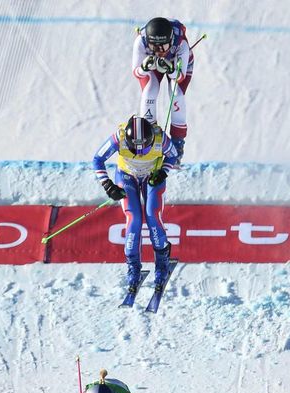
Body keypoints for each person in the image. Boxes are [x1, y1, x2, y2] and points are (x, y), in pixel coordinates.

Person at [92, 114, 180, 295]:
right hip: (127, 176)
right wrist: (107, 184)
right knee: (134, 220)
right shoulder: (120, 136)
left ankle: (162, 265)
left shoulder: (160, 138)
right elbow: (97, 159)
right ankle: (133, 268)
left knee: (152, 216)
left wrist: (163, 172)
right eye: (135, 149)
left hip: (151, 176)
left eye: (144, 148)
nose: (139, 152)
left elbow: (173, 155)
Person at [132, 17, 192, 162]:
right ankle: (149, 139)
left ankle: (177, 144)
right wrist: (144, 67)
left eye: (163, 47)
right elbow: (136, 71)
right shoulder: (140, 41)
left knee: (176, 93)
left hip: (176, 65)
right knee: (149, 91)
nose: (159, 51)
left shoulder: (181, 44)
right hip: (152, 65)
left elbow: (180, 77)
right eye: (154, 47)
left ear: (170, 41)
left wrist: (171, 69)